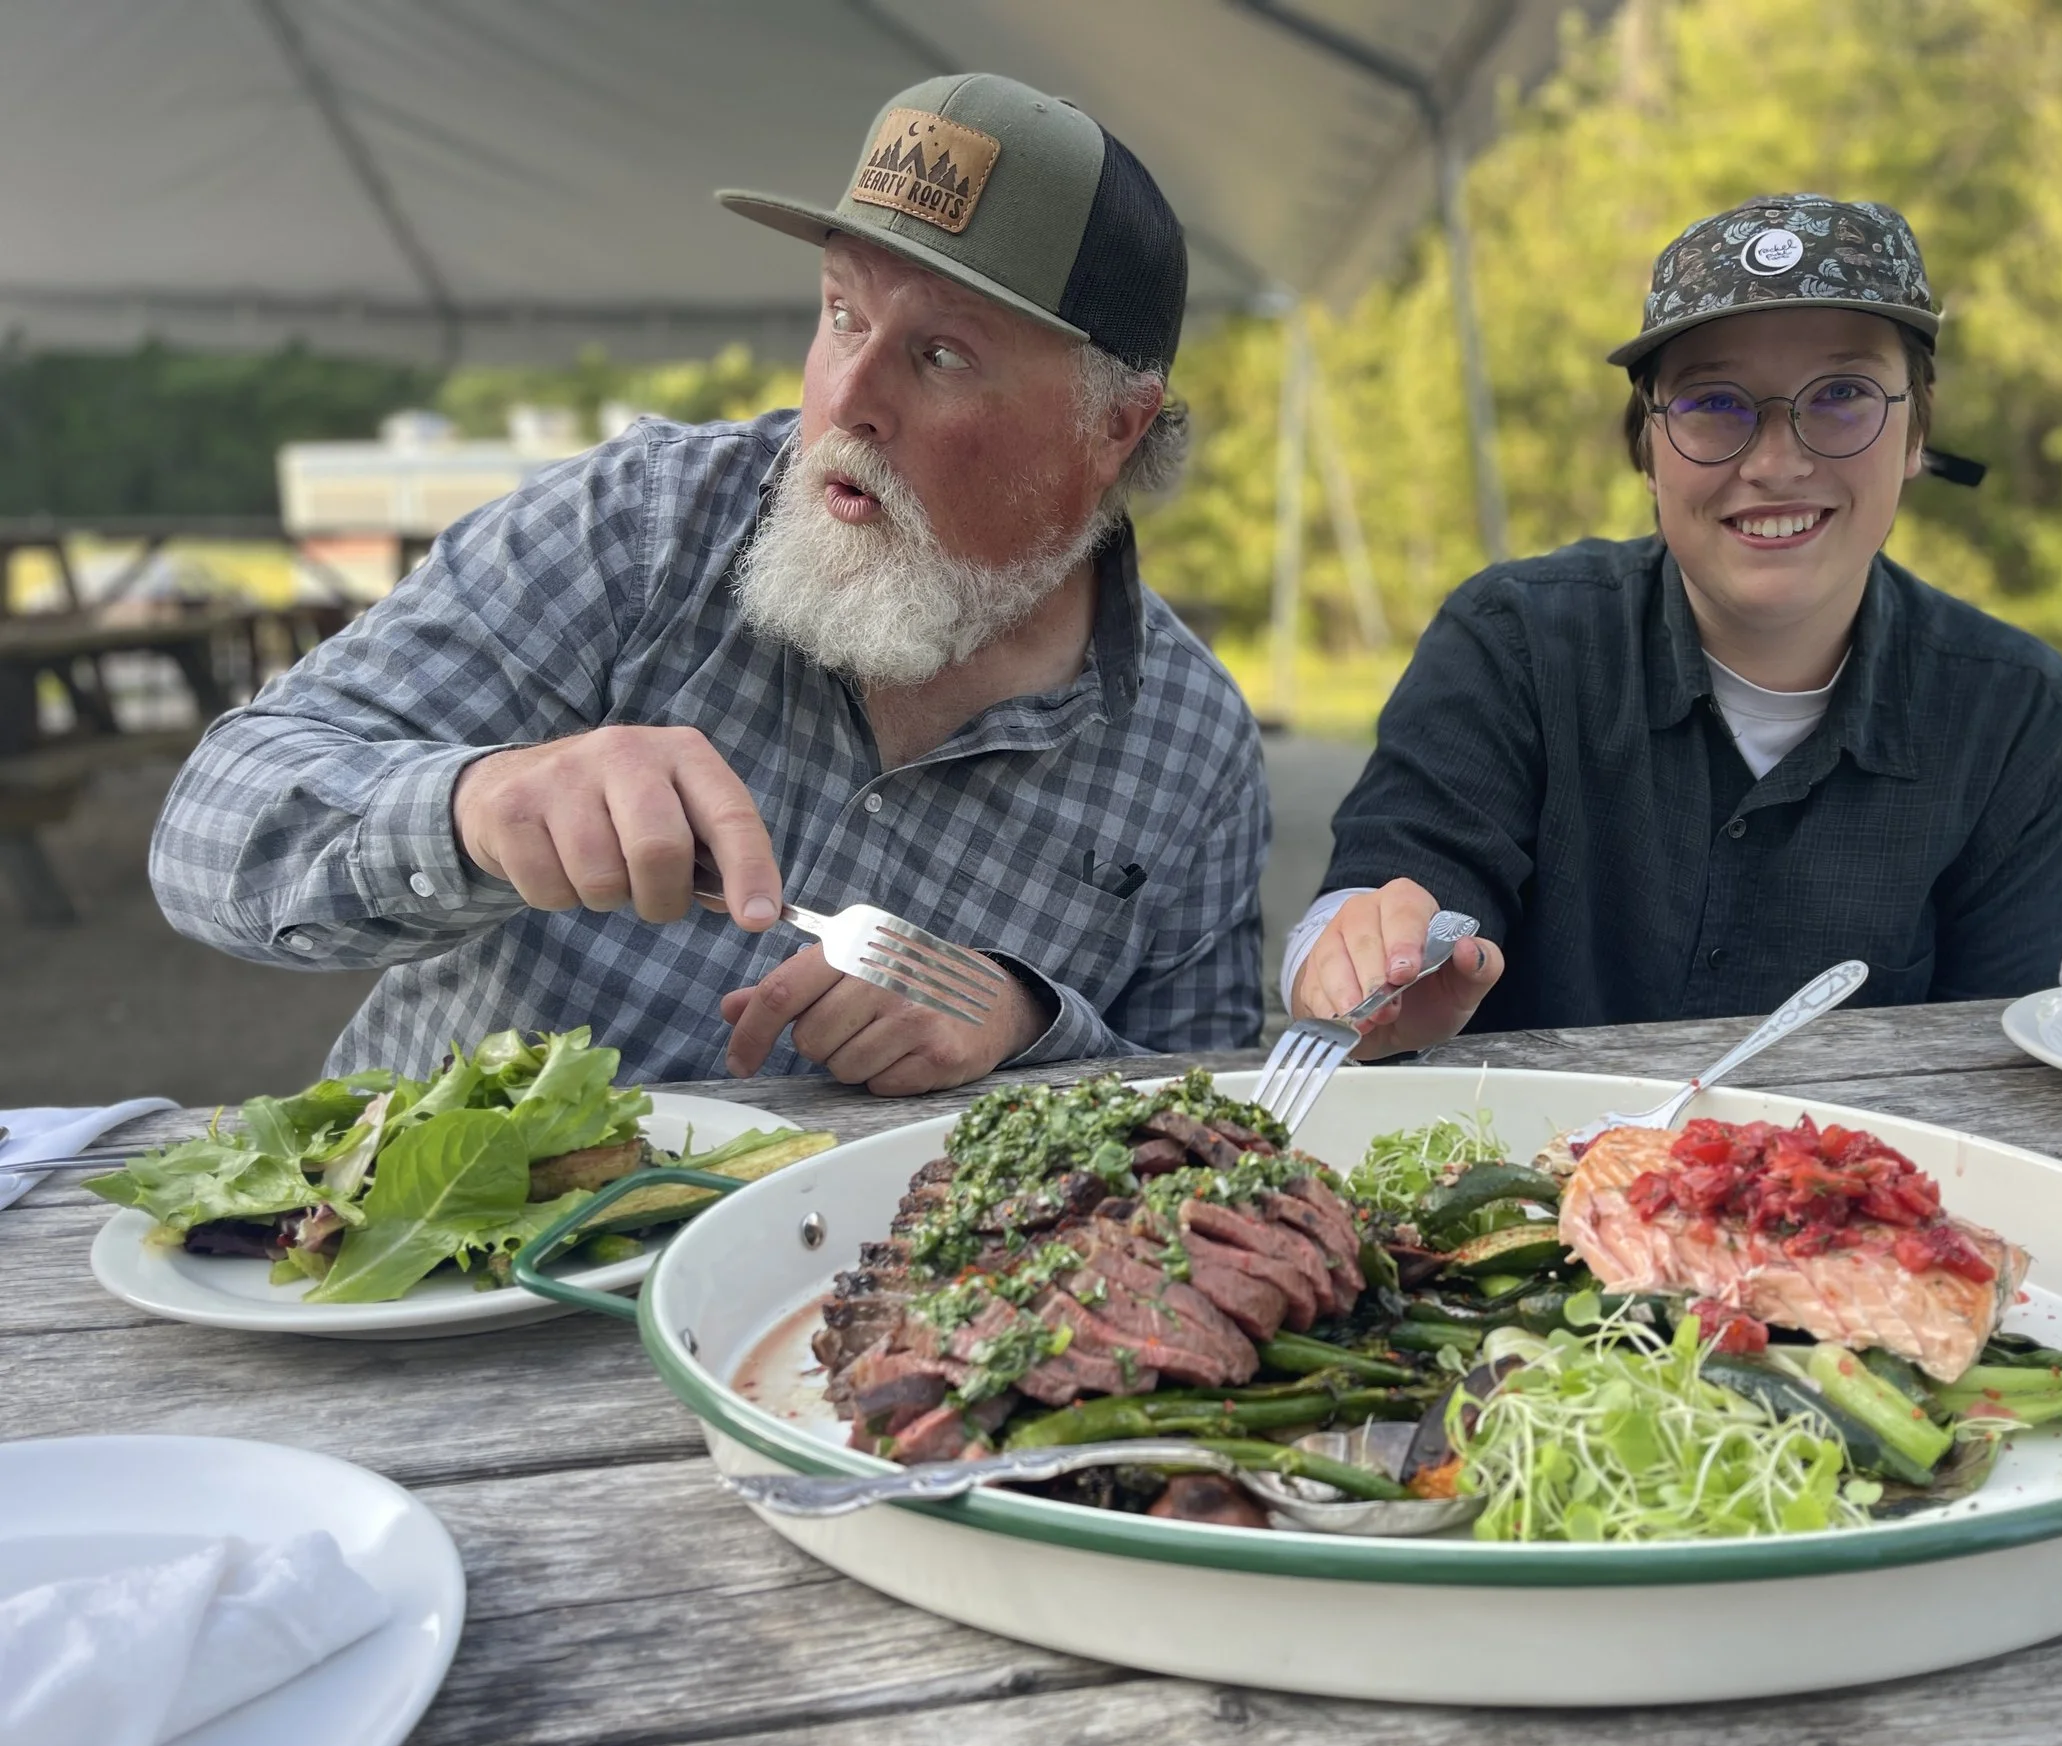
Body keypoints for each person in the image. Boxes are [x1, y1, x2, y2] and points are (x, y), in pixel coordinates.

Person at [152, 74, 1269, 1096]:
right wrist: (478, 804)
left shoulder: (1190, 742)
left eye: (941, 355)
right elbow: (211, 826)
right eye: (843, 315)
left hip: (859, 1260)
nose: (849, 401)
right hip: (443, 1222)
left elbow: (1213, 1106)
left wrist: (1027, 1025)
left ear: (1115, 427)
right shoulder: (643, 524)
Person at [1284, 194, 2062, 1057]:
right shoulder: (1514, 644)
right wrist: (1359, 968)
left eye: (1842, 394)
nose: (1777, 462)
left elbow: (2003, 1068)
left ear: (1915, 436)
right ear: (1648, 449)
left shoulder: (2025, 724)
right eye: (1715, 401)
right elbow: (1381, 899)